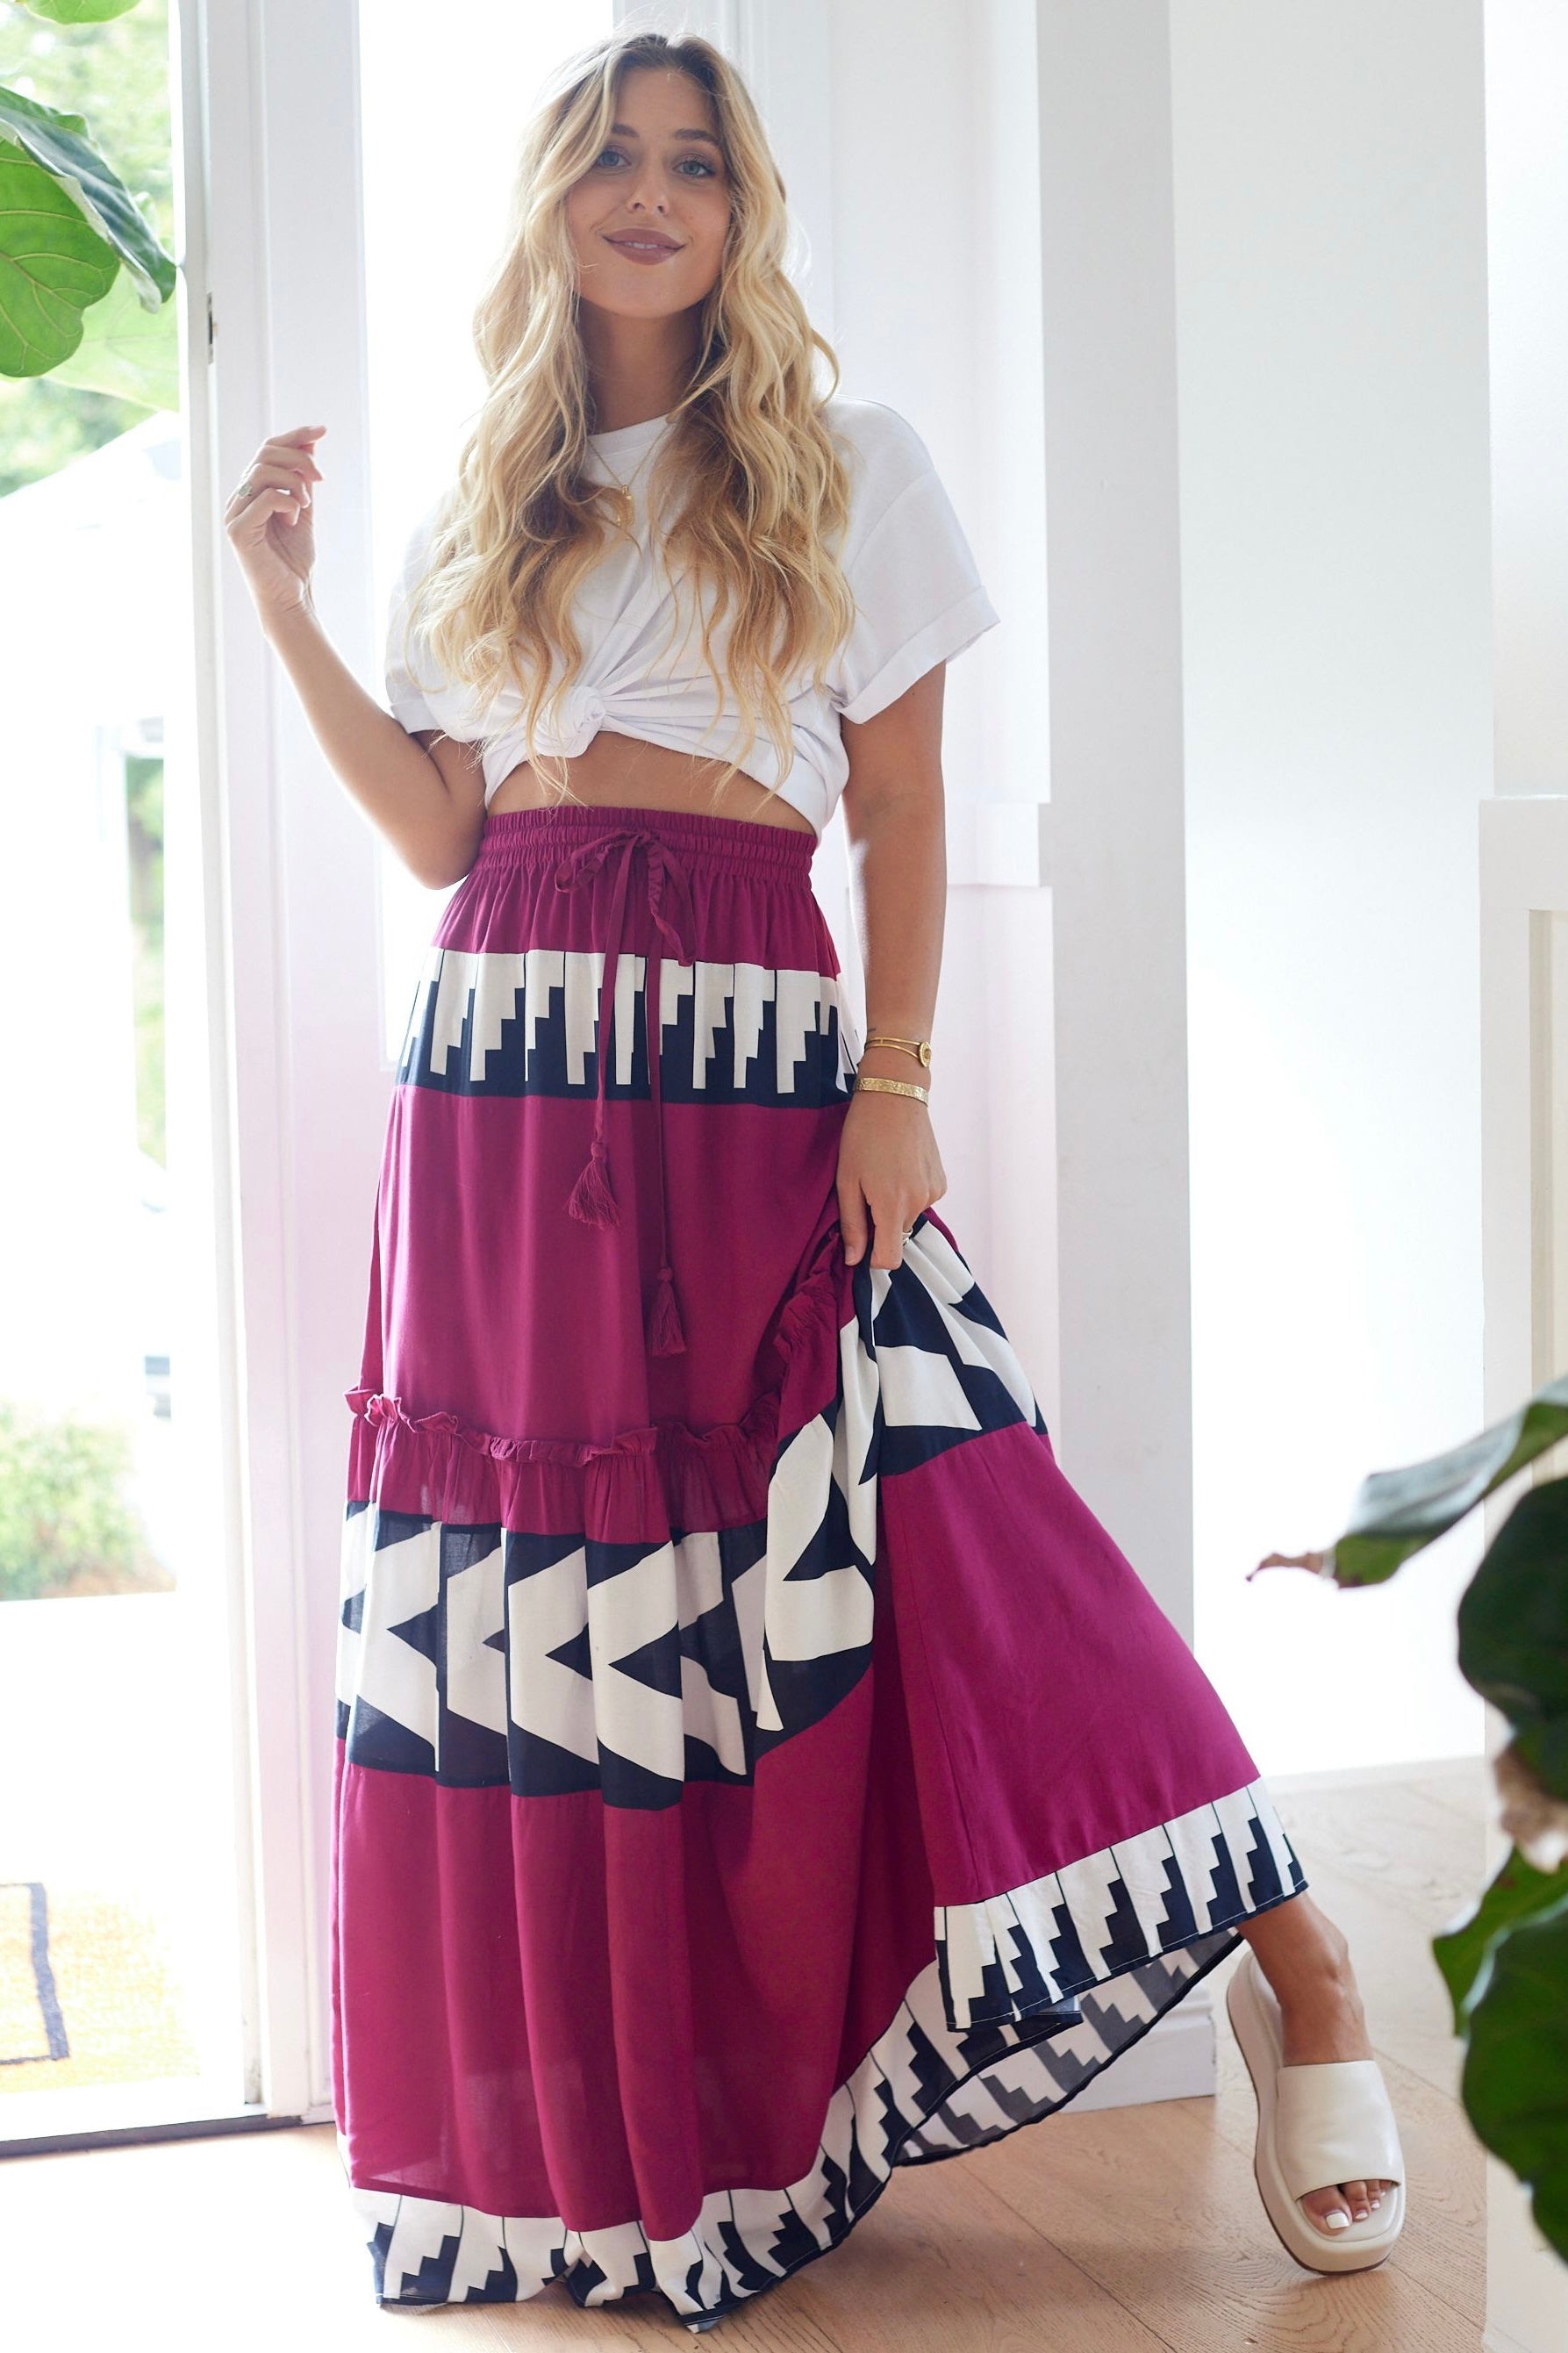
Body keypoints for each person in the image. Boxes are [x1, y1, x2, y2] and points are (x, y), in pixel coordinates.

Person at [224, 26, 1404, 2330]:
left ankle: (1300, 1947)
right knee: (564, 1606)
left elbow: (902, 809)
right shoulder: (492, 490)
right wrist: (279, 600)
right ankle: (602, 2132)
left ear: (743, 213)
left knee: (968, 1498)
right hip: (501, 1072)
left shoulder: (849, 462)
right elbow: (449, 829)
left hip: (758, 1048)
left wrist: (900, 1071)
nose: (652, 197)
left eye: (697, 165)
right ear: (555, 200)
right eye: (614, 160)